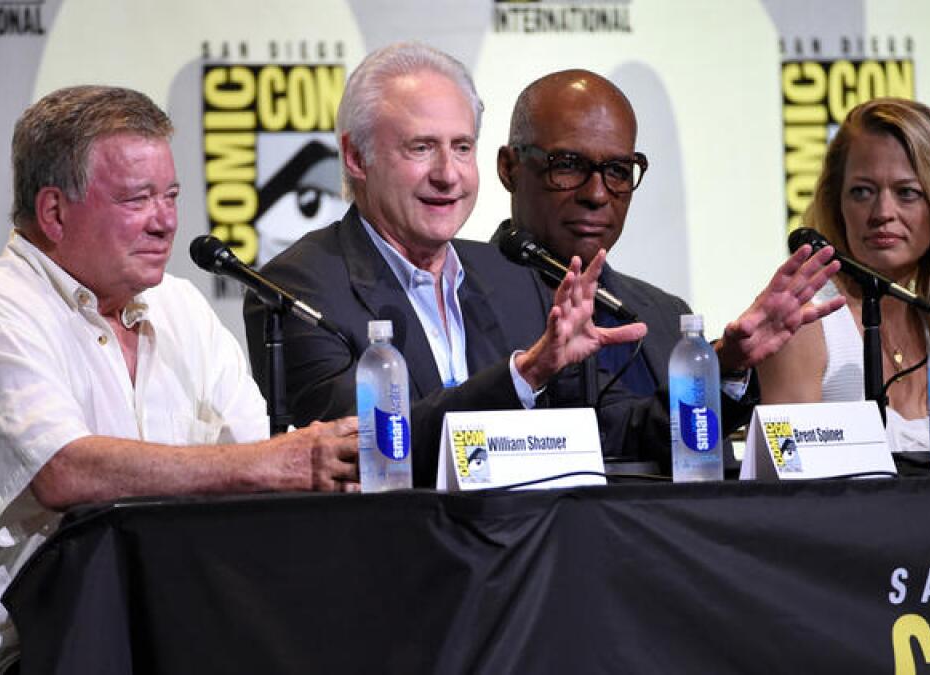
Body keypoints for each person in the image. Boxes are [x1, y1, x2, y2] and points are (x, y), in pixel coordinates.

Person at [0, 85, 359, 674]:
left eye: (172, 195)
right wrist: (273, 462)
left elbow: (260, 457)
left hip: (145, 633)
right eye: (138, 199)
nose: (166, 222)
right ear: (54, 212)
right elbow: (63, 473)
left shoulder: (181, 307)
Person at [244, 44, 645, 487]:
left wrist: (724, 375)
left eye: (461, 147)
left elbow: (610, 427)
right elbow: (365, 447)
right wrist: (521, 375)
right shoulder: (297, 287)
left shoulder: (512, 274)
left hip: (528, 546)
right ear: (356, 157)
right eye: (421, 147)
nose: (448, 174)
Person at [494, 69, 847, 465]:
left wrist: (724, 366)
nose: (596, 194)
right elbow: (602, 436)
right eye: (569, 164)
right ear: (510, 168)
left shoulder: (664, 314)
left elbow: (691, 457)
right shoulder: (467, 300)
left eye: (617, 171)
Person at [757, 98, 930, 452]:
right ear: (837, 203)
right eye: (862, 192)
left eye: (907, 193)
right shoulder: (805, 321)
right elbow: (791, 490)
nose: (883, 212)